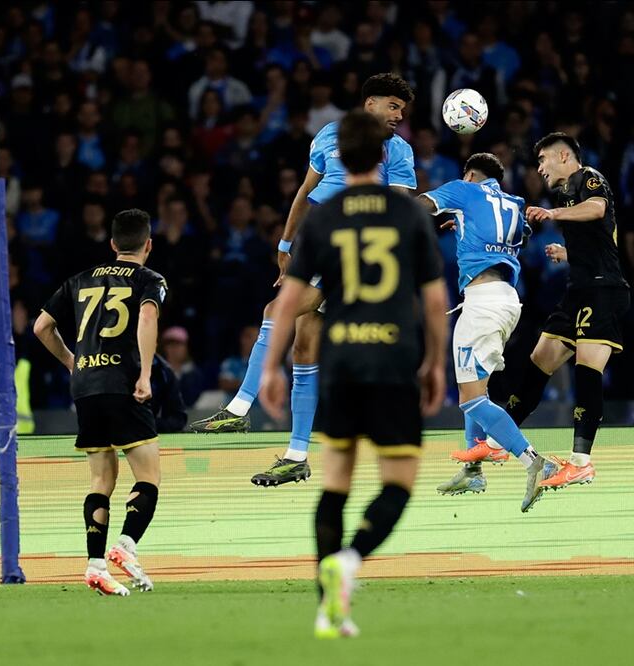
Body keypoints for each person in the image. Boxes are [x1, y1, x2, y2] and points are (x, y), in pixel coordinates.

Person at [260, 110, 447, 638]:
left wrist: (273, 364)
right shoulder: (408, 214)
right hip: (392, 359)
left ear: (338, 156)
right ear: (385, 156)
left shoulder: (323, 216)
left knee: (336, 480)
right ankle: (354, 557)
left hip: (340, 361)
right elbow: (433, 298)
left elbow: (290, 299)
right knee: (398, 483)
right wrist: (434, 361)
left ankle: (326, 608)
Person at [192, 73, 417, 489]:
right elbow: (304, 192)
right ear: (369, 104)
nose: (398, 116)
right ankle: (296, 455)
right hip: (321, 244)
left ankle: (240, 407)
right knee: (303, 342)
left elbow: (400, 211)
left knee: (275, 310)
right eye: (392, 107)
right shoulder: (328, 136)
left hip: (356, 253)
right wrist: (285, 241)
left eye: (402, 111)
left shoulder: (397, 151)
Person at [32, 209, 168, 596]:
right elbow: (145, 317)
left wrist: (72, 362)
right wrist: (143, 375)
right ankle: (125, 546)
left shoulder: (80, 279)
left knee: (100, 480)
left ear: (112, 245)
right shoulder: (150, 279)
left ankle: (94, 566)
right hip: (123, 383)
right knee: (148, 476)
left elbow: (41, 326)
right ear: (148, 245)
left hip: (86, 385)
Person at [417, 153, 556, 512]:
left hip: (481, 303)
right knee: (476, 385)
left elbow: (420, 206)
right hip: (508, 300)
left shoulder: (464, 189)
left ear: (471, 173)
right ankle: (473, 470)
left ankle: (533, 460)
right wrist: (462, 225)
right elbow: (519, 231)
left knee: (469, 397)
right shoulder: (515, 202)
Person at [501, 132, 631, 490]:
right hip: (579, 289)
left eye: (543, 160)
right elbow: (603, 241)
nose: (539, 168)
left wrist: (554, 213)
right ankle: (499, 439)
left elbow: (599, 208)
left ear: (562, 156)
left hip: (604, 289)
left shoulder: (588, 177)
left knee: (587, 369)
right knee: (539, 357)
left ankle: (581, 462)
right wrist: (568, 253)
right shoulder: (566, 191)